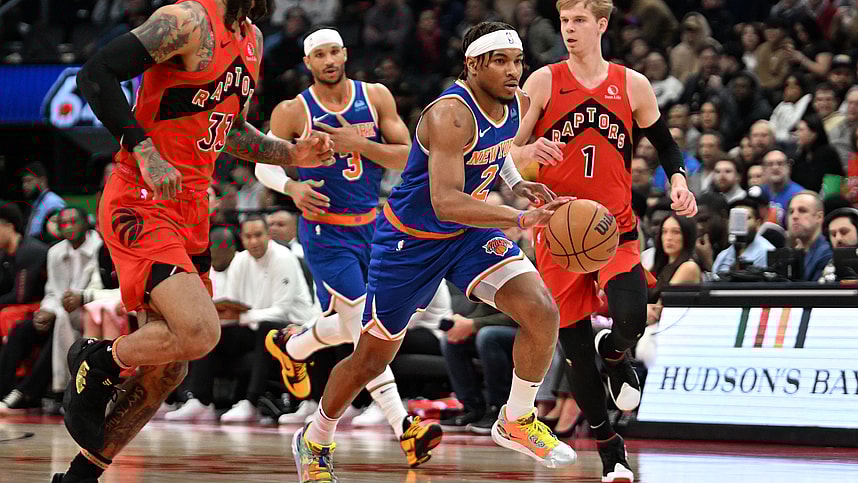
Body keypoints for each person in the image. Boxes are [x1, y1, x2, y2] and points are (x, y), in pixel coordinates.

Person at [56, 0, 334, 481]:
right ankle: (98, 358)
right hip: (142, 196)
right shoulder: (186, 20)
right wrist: (143, 150)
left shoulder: (252, 39)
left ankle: (80, 477)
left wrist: (293, 153)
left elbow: (230, 131)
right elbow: (95, 76)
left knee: (170, 370)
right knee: (201, 332)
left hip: (190, 209)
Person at [289, 21, 579, 481]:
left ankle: (517, 419)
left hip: (467, 234)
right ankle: (316, 436)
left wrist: (519, 184)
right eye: (500, 61)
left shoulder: (514, 102)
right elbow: (445, 201)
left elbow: (496, 151)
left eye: (517, 61)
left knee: (542, 310)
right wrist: (518, 218)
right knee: (371, 358)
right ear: (473, 65)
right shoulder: (450, 114)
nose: (513, 71)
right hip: (411, 242)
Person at [514, 1, 698, 481]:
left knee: (632, 316)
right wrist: (527, 150)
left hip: (612, 227)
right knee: (573, 350)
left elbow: (666, 144)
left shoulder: (631, 84)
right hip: (558, 230)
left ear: (601, 24)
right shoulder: (542, 82)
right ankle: (610, 451)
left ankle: (614, 353)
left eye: (579, 21)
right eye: (564, 21)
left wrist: (679, 179)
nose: (570, 30)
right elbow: (506, 151)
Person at [254, 26, 443, 468]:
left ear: (346, 52)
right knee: (365, 326)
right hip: (325, 233)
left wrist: (360, 144)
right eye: (320, 54)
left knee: (351, 325)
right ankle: (405, 427)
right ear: (309, 63)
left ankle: (294, 346)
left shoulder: (375, 96)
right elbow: (263, 165)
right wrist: (291, 188)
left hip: (372, 227)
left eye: (335, 51)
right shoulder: (293, 111)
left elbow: (410, 154)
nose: (330, 60)